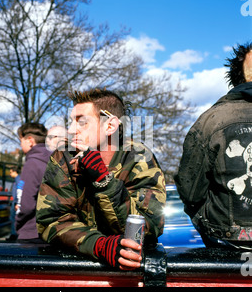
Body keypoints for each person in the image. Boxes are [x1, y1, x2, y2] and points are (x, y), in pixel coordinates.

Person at [36, 88, 166, 270]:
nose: (71, 130)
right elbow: (51, 221)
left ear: (110, 126)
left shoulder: (138, 157)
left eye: (81, 122)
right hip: (77, 268)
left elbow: (149, 226)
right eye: (71, 122)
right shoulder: (63, 157)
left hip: (133, 270)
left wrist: (103, 179)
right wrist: (99, 245)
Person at [174, 43, 252, 249]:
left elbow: (190, 192)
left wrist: (211, 225)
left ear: (236, 78)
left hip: (228, 242)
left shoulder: (211, 119)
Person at [15, 122, 52, 243]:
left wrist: (17, 220)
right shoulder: (54, 161)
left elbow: (26, 205)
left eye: (21, 141)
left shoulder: (32, 164)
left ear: (30, 140)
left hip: (31, 233)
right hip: (51, 231)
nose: (20, 145)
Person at [7, 166, 21, 241]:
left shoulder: (18, 180)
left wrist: (17, 203)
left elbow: (19, 192)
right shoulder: (17, 180)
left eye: (10, 172)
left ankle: (14, 234)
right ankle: (14, 234)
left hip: (16, 202)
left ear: (14, 172)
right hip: (15, 202)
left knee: (13, 218)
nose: (10, 174)